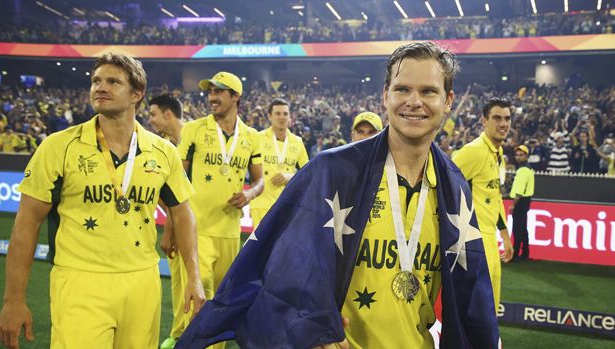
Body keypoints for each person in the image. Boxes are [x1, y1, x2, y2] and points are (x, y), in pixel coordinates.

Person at [177, 41, 498, 349]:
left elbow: (471, 298)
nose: (414, 101)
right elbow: (276, 275)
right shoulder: (331, 171)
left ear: (449, 100)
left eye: (428, 91)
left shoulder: (453, 188)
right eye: (402, 89)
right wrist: (305, 331)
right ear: (385, 95)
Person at [0, 53, 205, 349]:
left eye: (113, 82)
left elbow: (183, 213)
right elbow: (27, 223)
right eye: (96, 81)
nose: (100, 87)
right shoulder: (58, 147)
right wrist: (14, 300)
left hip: (142, 282)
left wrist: (194, 277)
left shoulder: (163, 152)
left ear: (136, 94)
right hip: (80, 281)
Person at [177, 71, 264, 348]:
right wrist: (171, 226)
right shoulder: (193, 129)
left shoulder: (251, 137)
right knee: (198, 293)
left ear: (235, 96)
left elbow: (259, 180)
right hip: (197, 228)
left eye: (218, 92)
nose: (211, 97)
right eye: (210, 92)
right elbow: (176, 180)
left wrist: (249, 193)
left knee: (224, 300)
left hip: (229, 230)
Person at [452, 97, 514, 313]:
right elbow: (444, 185)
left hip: (490, 239)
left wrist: (505, 236)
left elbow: (495, 197)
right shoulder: (474, 150)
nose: (503, 123)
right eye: (496, 118)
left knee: (490, 306)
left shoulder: (499, 155)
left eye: (506, 118)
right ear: (484, 121)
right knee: (478, 309)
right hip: (473, 241)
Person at [147, 94, 190, 349]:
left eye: (153, 114)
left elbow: (185, 194)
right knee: (177, 280)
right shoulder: (160, 145)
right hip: (176, 220)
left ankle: (196, 333)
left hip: (197, 225)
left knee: (194, 280)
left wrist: (169, 228)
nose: (150, 120)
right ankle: (178, 332)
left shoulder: (193, 139)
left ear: (168, 113)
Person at [249, 98, 308, 229]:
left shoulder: (297, 142)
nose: (282, 117)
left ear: (290, 116)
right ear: (269, 116)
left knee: (284, 249)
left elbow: (308, 174)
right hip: (261, 204)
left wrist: (289, 177)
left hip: (286, 204)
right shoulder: (258, 138)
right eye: (278, 113)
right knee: (262, 249)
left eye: (285, 114)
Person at [509, 145, 535, 261]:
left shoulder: (523, 170)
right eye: (517, 155)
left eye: (521, 155)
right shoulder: (528, 168)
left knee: (517, 229)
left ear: (526, 156)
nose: (518, 157)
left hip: (520, 202)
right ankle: (525, 253)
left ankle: (515, 255)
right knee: (523, 228)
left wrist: (513, 204)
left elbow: (519, 191)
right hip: (526, 201)